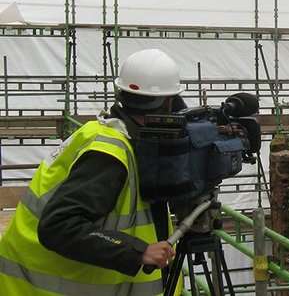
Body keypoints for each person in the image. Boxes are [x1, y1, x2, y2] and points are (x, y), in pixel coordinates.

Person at [0, 48, 182, 294]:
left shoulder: (110, 132)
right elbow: (59, 226)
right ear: (168, 103)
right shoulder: (109, 154)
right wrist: (138, 251)